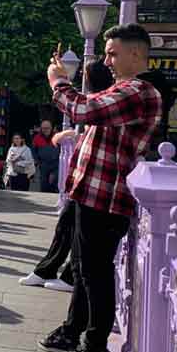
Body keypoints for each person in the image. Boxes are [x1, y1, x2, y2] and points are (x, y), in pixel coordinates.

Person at [39, 24, 162, 352]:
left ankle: (95, 349)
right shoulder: (121, 89)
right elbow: (92, 116)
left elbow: (83, 110)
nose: (106, 60)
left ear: (136, 53)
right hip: (91, 192)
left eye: (112, 53)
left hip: (107, 198)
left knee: (95, 272)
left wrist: (57, 82)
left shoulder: (139, 91)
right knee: (82, 268)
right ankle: (72, 331)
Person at [21, 60, 115, 294]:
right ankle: (46, 269)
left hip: (97, 182)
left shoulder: (106, 102)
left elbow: (81, 111)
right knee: (66, 224)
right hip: (83, 178)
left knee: (82, 232)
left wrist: (59, 81)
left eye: (84, 75)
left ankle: (69, 277)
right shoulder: (99, 102)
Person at [32, 120, 59, 193]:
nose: (45, 130)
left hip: (55, 164)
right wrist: (38, 161)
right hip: (43, 164)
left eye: (47, 128)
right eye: (43, 128)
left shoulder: (57, 136)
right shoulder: (37, 138)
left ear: (51, 128)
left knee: (54, 181)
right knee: (44, 183)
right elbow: (34, 151)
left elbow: (62, 150)